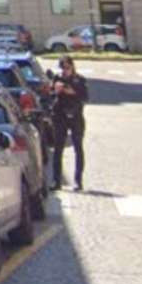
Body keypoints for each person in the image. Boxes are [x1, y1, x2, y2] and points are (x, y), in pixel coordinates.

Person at [50, 57, 90, 190]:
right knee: (58, 149)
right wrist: (55, 90)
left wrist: (72, 91)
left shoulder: (79, 79)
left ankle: (78, 180)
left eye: (67, 67)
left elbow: (85, 97)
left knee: (78, 148)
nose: (65, 70)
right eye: (63, 68)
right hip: (60, 116)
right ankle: (56, 181)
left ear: (72, 67)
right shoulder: (57, 78)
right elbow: (51, 95)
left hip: (75, 116)